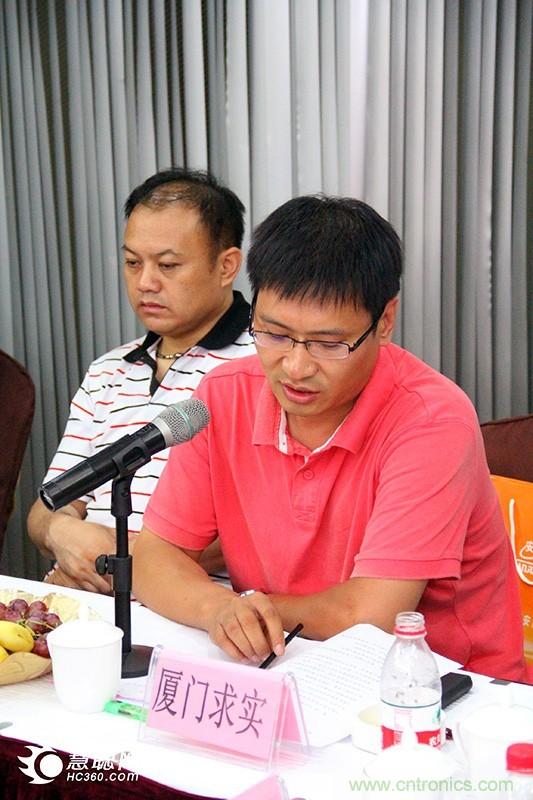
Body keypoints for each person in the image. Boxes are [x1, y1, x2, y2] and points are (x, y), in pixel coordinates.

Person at [133, 195, 527, 682]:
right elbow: (155, 557)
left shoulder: (432, 421)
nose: (296, 367)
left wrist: (251, 611)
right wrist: (217, 609)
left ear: (385, 321)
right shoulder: (224, 395)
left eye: (328, 343)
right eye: (274, 334)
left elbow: (370, 614)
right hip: (287, 663)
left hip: (443, 686)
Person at [28, 168, 255, 594]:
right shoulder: (108, 370)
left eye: (168, 265)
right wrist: (62, 534)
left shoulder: (265, 364)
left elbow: (264, 527)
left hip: (196, 605)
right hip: (83, 596)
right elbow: (46, 508)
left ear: (226, 266)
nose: (145, 283)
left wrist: (122, 561)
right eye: (133, 263)